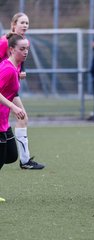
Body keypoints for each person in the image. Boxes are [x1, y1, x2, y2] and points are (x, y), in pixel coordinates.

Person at [0, 12, 45, 169]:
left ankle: (24, 159)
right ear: (13, 25)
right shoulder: (5, 42)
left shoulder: (24, 43)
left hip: (10, 85)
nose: (25, 25)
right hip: (4, 84)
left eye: (27, 23)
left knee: (22, 117)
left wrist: (20, 72)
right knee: (19, 115)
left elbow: (19, 62)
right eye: (22, 22)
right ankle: (24, 160)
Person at [0, 33, 28, 202]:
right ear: (11, 50)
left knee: (11, 156)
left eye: (27, 49)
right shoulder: (8, 69)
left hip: (3, 121)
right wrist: (13, 106)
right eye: (21, 49)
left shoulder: (15, 67)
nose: (25, 52)